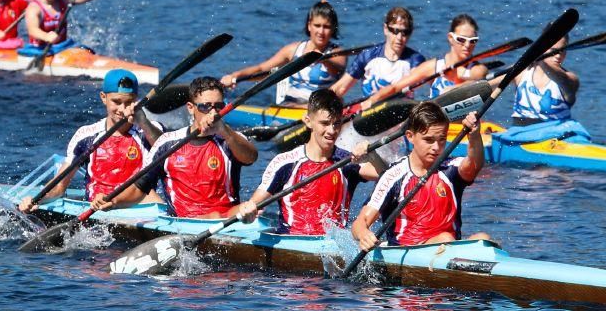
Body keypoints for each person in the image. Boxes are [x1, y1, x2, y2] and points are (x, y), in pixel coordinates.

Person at [101, 77, 258, 218]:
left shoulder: (230, 139)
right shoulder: (167, 143)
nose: (213, 113)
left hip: (227, 220)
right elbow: (139, 188)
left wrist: (224, 130)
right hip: (185, 223)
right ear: (190, 107)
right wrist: (113, 201)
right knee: (215, 216)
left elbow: (251, 158)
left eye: (219, 106)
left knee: (246, 209)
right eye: (205, 107)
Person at [237, 89, 383, 235]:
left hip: (334, 247)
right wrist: (248, 211)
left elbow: (385, 176)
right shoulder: (286, 162)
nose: (332, 131)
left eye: (336, 123)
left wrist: (372, 154)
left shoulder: (346, 162)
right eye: (324, 123)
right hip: (292, 243)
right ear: (308, 121)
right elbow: (254, 204)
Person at [19, 69, 163, 212]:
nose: (122, 109)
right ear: (103, 97)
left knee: (151, 195)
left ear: (136, 100)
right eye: (116, 102)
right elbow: (59, 186)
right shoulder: (87, 136)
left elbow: (167, 152)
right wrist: (35, 200)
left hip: (140, 208)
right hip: (97, 208)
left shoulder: (149, 130)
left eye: (129, 102)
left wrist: (143, 122)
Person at [351, 101, 489, 249]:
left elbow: (474, 164)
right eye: (428, 140)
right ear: (410, 136)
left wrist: (474, 135)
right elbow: (361, 222)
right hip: (406, 251)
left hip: (448, 247)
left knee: (484, 239)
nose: (436, 148)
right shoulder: (393, 175)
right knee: (446, 237)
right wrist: (364, 234)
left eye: (442, 139)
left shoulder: (451, 169)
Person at [220, 0, 346, 105]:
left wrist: (323, 58)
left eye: (326, 27)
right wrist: (234, 76)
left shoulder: (338, 53)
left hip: (320, 110)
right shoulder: (293, 50)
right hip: (290, 108)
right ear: (309, 26)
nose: (321, 31)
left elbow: (337, 70)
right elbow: (262, 69)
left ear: (333, 28)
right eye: (317, 25)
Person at [364, 14, 488, 106]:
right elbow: (396, 87)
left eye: (473, 41)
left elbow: (477, 77)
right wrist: (372, 100)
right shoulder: (432, 67)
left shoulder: (478, 69)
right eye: (461, 39)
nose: (467, 45)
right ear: (450, 38)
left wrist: (455, 86)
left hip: (467, 126)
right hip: (437, 127)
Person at [329, 6, 425, 101]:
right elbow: (341, 88)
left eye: (405, 32)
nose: (399, 37)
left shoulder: (415, 60)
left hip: (401, 110)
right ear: (386, 29)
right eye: (395, 31)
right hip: (369, 111)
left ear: (411, 32)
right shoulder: (367, 56)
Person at [495, 34, 579, 126]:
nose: (559, 55)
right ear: (544, 48)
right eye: (554, 51)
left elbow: (561, 77)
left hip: (556, 135)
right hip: (519, 133)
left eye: (562, 50)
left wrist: (540, 58)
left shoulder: (571, 79)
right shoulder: (521, 72)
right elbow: (487, 87)